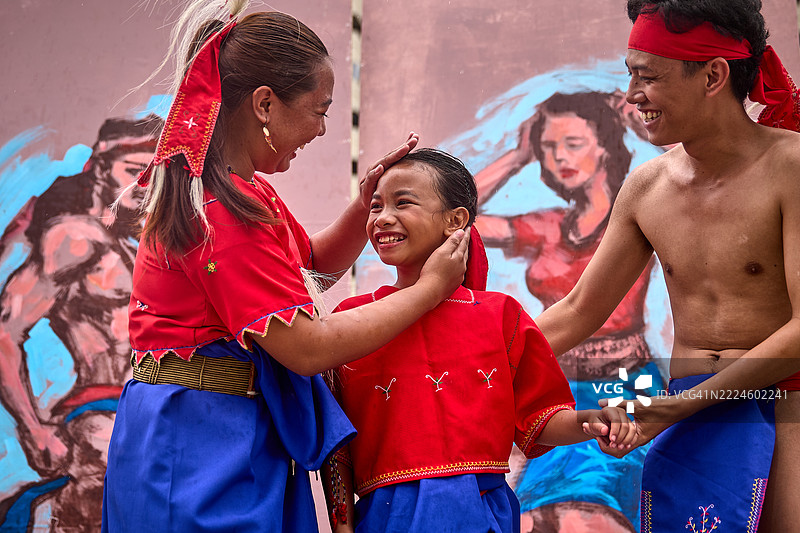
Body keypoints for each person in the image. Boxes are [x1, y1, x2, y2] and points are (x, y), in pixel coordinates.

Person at [100, 3, 469, 532]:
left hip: (222, 431)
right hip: (197, 450)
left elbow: (308, 269)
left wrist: (364, 206)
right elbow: (307, 347)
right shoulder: (221, 213)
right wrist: (429, 290)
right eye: (320, 110)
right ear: (265, 104)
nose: (322, 129)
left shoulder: (240, 193)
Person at [534, 0, 800, 530]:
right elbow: (579, 310)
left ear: (713, 76)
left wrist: (676, 408)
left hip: (785, 410)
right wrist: (480, 359)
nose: (632, 95)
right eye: (631, 75)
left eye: (648, 77)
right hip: (687, 420)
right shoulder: (648, 185)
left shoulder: (791, 168)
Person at [321, 148, 636, 533]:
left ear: (455, 221)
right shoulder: (351, 321)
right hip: (388, 516)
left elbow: (540, 418)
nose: (383, 217)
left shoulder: (500, 314)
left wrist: (590, 421)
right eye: (375, 206)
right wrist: (343, 527)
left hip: (485, 513)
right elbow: (336, 448)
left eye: (403, 203)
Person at [475, 91, 660, 530]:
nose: (559, 157)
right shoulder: (546, 226)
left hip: (625, 383)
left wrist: (647, 130)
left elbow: (714, 183)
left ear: (606, 145)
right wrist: (517, 156)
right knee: (535, 517)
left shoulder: (646, 212)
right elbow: (450, 217)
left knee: (593, 511)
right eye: (547, 146)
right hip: (555, 389)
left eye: (573, 143)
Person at [0, 116, 159, 531]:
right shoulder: (75, 237)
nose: (143, 184)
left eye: (152, 174)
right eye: (133, 171)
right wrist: (35, 431)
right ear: (101, 169)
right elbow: (5, 333)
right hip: (101, 412)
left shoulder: (144, 243)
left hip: (150, 411)